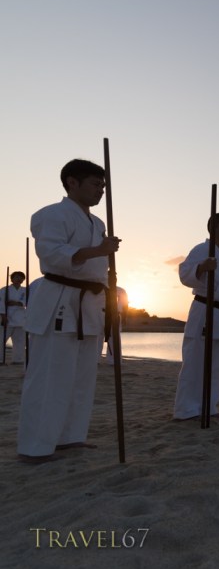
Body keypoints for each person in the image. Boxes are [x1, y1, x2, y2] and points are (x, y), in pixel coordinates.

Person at [17, 159, 121, 463]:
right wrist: (99, 250)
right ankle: (35, 446)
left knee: (81, 376)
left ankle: (70, 437)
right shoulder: (51, 215)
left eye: (103, 185)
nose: (100, 190)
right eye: (94, 184)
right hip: (60, 300)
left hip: (91, 305)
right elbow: (51, 253)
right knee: (50, 376)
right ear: (72, 183)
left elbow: (98, 269)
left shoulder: (98, 224)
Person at [173, 213, 219, 420]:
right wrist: (202, 267)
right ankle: (186, 409)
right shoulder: (201, 249)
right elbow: (184, 273)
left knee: (218, 364)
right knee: (195, 361)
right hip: (204, 311)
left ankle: (209, 405)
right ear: (212, 227)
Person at [2, 271, 27, 364]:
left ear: (23, 280)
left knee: (20, 341)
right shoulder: (5, 290)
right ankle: (0, 359)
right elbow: (1, 303)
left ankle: (18, 360)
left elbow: (27, 301)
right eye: (16, 277)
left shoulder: (25, 290)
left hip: (20, 318)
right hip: (7, 316)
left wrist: (16, 303)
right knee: (1, 339)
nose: (18, 279)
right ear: (11, 279)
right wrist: (3, 315)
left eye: (21, 277)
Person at [102, 286, 128, 365]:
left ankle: (113, 361)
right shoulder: (100, 287)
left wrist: (124, 317)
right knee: (98, 336)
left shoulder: (121, 290)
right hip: (101, 313)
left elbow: (125, 305)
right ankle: (95, 360)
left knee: (114, 337)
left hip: (115, 315)